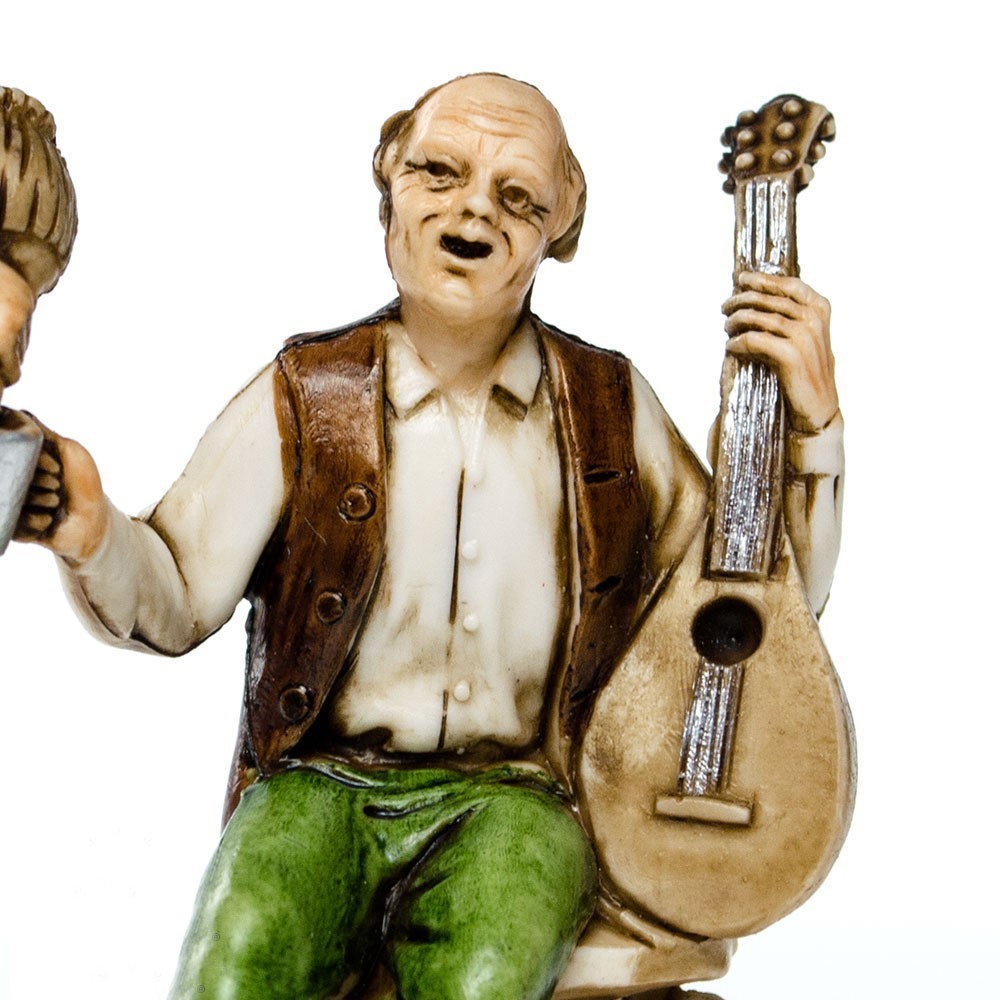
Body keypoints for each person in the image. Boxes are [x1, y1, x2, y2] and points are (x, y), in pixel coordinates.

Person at [1, 74, 843, 1000]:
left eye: (517, 198)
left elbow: (746, 616)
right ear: (389, 181)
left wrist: (810, 429)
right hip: (321, 787)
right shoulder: (308, 395)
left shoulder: (607, 409)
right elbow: (179, 592)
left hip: (518, 800)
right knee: (238, 952)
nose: (472, 211)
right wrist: (92, 530)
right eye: (439, 172)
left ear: (560, 227)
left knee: (485, 969)